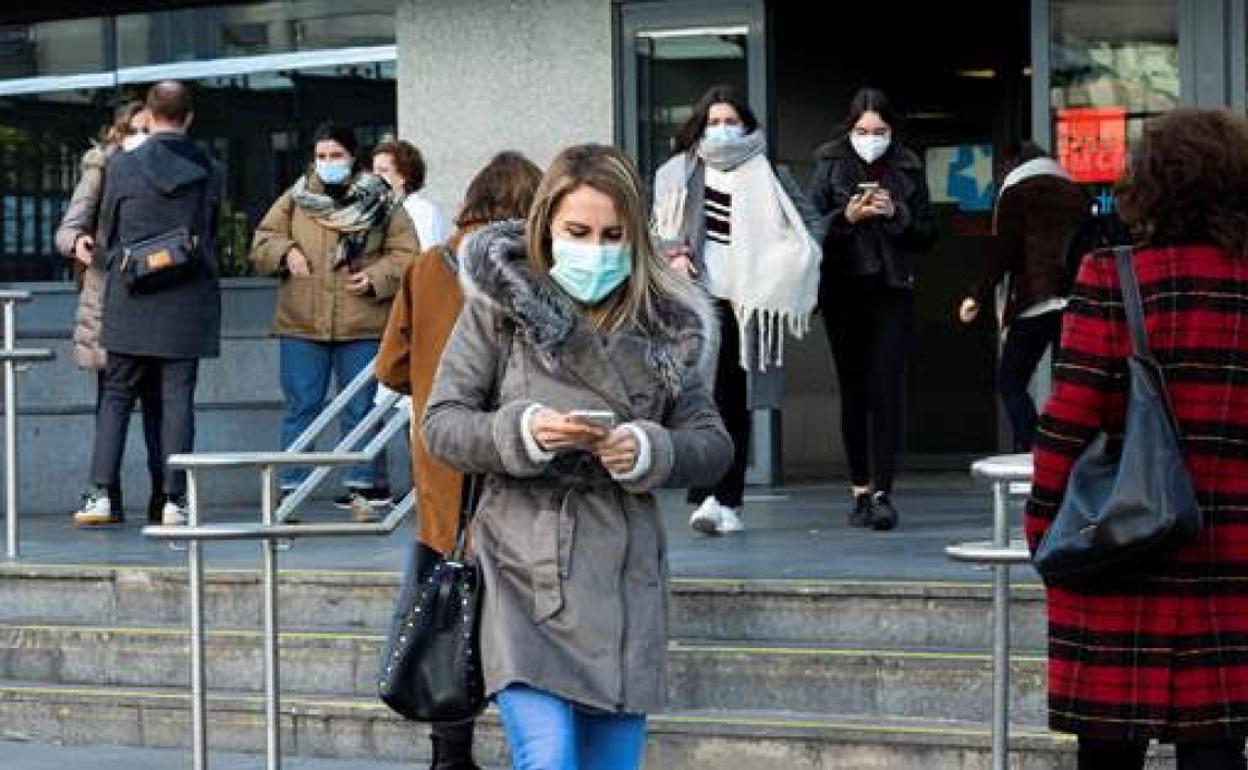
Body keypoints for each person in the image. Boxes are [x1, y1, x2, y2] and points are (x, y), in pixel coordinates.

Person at [423, 144, 733, 770]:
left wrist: (649, 448)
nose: (596, 249)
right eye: (578, 232)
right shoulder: (499, 307)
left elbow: (713, 444)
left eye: (613, 235)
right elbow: (443, 425)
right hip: (521, 563)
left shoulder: (667, 322)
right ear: (545, 228)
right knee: (548, 757)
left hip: (622, 575)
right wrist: (524, 432)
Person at [1025, 108, 1248, 770]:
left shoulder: (1112, 276)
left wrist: (1045, 527)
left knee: (1109, 746)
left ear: (1149, 183)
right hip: (1232, 547)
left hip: (1121, 543)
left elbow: (1068, 419)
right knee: (1217, 742)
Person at [374, 150, 542, 770]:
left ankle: (450, 752)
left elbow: (390, 366)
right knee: (520, 616)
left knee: (446, 605)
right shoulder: (533, 266)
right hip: (518, 461)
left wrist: (431, 383)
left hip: (443, 467)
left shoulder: (427, 266)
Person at [652, 84, 822, 536]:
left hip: (746, 303)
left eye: (731, 121)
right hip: (695, 301)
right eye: (714, 122)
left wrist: (785, 264)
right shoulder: (678, 173)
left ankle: (724, 498)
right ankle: (709, 492)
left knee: (732, 400)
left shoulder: (769, 173)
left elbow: (809, 225)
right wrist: (673, 252)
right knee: (698, 397)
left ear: (746, 126)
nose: (722, 129)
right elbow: (657, 233)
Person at [249, 122, 419, 516]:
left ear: (352, 157)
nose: (327, 163)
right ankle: (291, 490)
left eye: (336, 155)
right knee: (301, 408)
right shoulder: (296, 198)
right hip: (302, 323)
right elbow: (261, 243)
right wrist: (285, 251)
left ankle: (362, 490)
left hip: (362, 323)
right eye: (321, 156)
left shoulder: (382, 201)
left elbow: (409, 255)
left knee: (361, 410)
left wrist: (376, 276)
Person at [73, 81, 221, 527]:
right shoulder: (209, 168)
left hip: (131, 294)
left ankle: (100, 494)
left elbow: (109, 230)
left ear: (151, 116)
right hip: (186, 298)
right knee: (178, 399)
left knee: (116, 396)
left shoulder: (122, 165)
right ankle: (174, 499)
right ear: (189, 117)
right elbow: (210, 231)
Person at [808, 87, 936, 531]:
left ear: (892, 131)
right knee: (854, 390)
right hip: (843, 288)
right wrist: (847, 217)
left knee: (886, 388)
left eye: (879, 130)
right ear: (850, 130)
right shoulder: (829, 163)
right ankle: (860, 488)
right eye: (863, 130)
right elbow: (810, 226)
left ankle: (883, 492)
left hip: (892, 288)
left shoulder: (909, 165)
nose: (871, 138)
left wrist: (896, 213)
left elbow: (927, 234)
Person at [57, 101, 167, 526]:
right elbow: (68, 228)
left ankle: (163, 496)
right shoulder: (101, 167)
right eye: (133, 130)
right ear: (117, 134)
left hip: (155, 298)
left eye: (147, 130)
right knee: (113, 403)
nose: (140, 138)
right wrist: (78, 243)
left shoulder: (166, 170)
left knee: (159, 406)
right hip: (108, 300)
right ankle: (106, 495)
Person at [957, 141, 1090, 451]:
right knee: (1069, 385)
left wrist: (976, 293)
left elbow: (1004, 250)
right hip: (1077, 300)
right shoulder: (1076, 193)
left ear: (1010, 167)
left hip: (1034, 302)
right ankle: (1070, 452)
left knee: (1011, 380)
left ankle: (1035, 448)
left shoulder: (1017, 193)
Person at [372, 139, 452, 250]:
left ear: (403, 176)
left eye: (383, 170)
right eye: (374, 170)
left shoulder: (423, 211)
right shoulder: (378, 210)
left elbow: (428, 255)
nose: (374, 176)